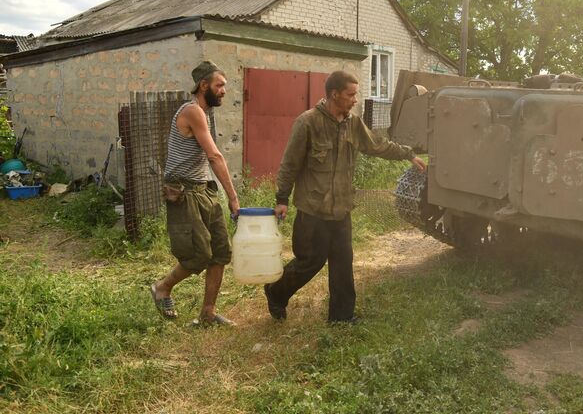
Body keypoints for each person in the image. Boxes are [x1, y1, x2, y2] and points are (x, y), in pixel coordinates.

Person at [265, 70, 426, 323]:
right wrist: (282, 199)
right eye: (351, 95)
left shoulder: (353, 123)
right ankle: (276, 292)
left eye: (355, 95)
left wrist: (408, 154)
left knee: (342, 264)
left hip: (341, 208)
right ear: (334, 94)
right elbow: (289, 165)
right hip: (313, 209)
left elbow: (376, 144)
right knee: (310, 263)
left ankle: (342, 318)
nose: (355, 100)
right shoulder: (308, 123)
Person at [150, 60, 240, 327]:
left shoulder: (206, 111)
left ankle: (208, 313)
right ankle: (162, 287)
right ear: (204, 86)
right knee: (198, 254)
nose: (224, 90)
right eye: (219, 85)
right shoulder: (192, 111)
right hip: (183, 190)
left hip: (203, 188)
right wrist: (233, 198)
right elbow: (214, 155)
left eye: (224, 86)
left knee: (220, 253)